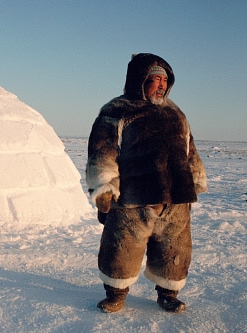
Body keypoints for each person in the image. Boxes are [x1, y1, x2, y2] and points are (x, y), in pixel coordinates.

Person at [86, 53, 207, 313]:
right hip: (132, 197)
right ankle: (116, 293)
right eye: (155, 79)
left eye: (165, 80)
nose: (161, 85)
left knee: (174, 250)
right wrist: (104, 189)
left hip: (175, 197)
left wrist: (194, 181)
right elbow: (102, 152)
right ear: (139, 80)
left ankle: (168, 293)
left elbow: (189, 149)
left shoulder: (176, 113)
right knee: (121, 249)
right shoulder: (117, 111)